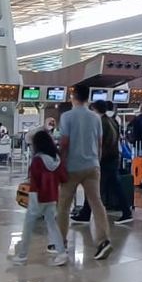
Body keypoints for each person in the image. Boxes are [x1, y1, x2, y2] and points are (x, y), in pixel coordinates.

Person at [56, 86, 114, 261]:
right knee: (97, 203)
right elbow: (99, 143)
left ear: (73, 97)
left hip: (72, 167)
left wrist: (62, 164)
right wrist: (96, 162)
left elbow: (64, 143)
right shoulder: (95, 118)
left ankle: (61, 243)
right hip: (92, 166)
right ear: (88, 98)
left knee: (63, 206)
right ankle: (103, 241)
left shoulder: (67, 117)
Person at [73, 101, 135, 225]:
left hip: (103, 160)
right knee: (113, 186)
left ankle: (86, 214)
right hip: (112, 159)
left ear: (95, 110)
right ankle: (125, 212)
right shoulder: (111, 121)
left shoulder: (100, 123)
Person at [12, 130, 68, 266]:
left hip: (37, 196)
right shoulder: (57, 159)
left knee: (28, 225)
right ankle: (61, 253)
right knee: (52, 224)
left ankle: (22, 255)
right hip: (52, 196)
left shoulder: (37, 160)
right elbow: (64, 178)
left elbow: (34, 180)